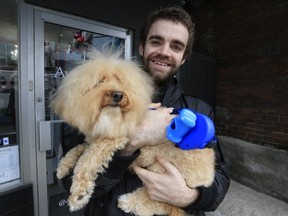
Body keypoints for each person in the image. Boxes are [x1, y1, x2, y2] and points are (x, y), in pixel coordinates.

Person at [63, 5, 230, 216]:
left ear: (184, 58)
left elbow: (220, 178)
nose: (164, 52)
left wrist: (189, 197)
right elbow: (69, 184)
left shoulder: (199, 109)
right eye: (156, 41)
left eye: (176, 47)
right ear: (142, 47)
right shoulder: (95, 101)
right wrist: (131, 143)